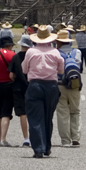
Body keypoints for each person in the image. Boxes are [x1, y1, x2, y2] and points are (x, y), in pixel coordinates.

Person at [22, 25, 63, 158]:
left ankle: (38, 148)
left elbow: (24, 70)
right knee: (47, 117)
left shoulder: (31, 52)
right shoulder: (55, 52)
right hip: (51, 85)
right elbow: (61, 70)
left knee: (35, 118)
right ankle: (47, 146)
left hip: (35, 84)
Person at [54, 30, 82, 148]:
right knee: (75, 111)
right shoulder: (77, 52)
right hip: (74, 83)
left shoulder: (55, 53)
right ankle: (76, 137)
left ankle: (65, 140)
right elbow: (79, 68)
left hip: (60, 84)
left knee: (62, 113)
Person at [9, 34, 33, 146]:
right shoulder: (33, 56)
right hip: (32, 86)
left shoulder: (16, 57)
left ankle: (26, 138)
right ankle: (35, 136)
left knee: (22, 113)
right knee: (33, 112)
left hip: (18, 87)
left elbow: (11, 75)